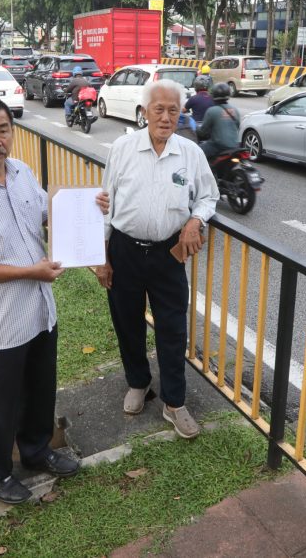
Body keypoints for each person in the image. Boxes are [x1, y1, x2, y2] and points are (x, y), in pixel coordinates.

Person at [0, 95, 109, 504]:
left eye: (3, 130)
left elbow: (45, 216)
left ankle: (36, 451)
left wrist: (88, 207)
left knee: (39, 389)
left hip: (39, 311)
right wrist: (27, 271)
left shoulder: (22, 172)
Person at [96, 80, 219, 439]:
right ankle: (138, 382)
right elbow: (107, 202)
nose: (166, 117)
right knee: (127, 322)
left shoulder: (190, 153)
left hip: (168, 254)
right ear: (145, 112)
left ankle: (175, 402)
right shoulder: (122, 148)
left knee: (172, 328)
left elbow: (209, 196)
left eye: (172, 110)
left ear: (180, 113)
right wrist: (104, 257)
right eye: (158, 109)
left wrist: (195, 221)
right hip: (125, 250)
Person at [197, 83, 241, 162]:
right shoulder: (235, 109)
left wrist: (196, 129)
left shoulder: (212, 111)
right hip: (235, 146)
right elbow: (237, 126)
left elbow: (202, 132)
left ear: (213, 96)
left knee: (196, 151)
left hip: (218, 147)